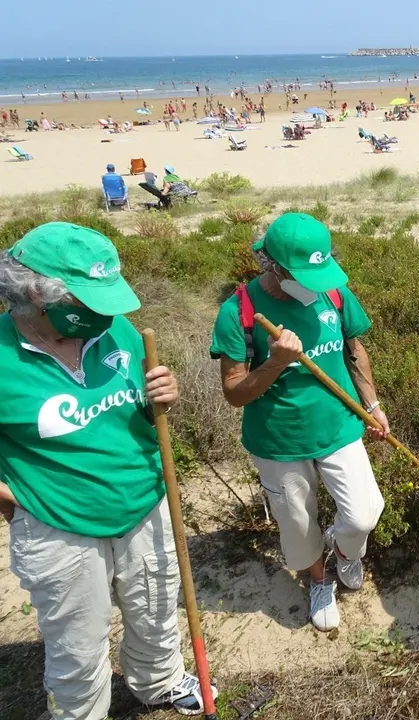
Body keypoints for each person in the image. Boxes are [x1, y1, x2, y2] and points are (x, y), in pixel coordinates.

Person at [0, 222, 216, 718]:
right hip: (59, 526)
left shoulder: (113, 327)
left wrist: (163, 395)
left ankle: (159, 681)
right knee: (77, 645)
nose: (106, 313)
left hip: (144, 501)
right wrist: (17, 503)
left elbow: (140, 407)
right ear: (37, 293)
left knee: (157, 607)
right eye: (90, 300)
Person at [210, 213, 388, 633]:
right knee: (297, 525)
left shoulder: (335, 293)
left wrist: (374, 403)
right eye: (306, 273)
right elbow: (234, 393)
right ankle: (319, 579)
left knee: (364, 514)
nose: (318, 282)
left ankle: (345, 552)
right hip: (278, 440)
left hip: (340, 424)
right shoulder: (239, 312)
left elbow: (354, 350)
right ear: (274, 265)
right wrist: (274, 363)